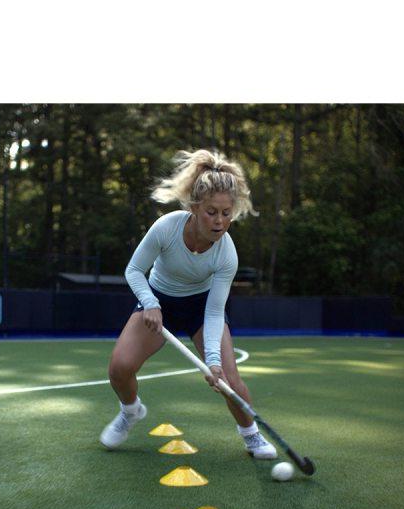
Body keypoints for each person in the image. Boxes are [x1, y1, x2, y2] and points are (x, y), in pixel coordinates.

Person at [99, 148, 277, 460]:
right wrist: (150, 303)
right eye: (212, 212)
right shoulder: (167, 227)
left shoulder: (227, 255)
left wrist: (213, 361)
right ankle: (131, 411)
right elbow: (133, 270)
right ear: (194, 207)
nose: (220, 222)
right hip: (158, 301)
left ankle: (252, 436)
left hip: (201, 307)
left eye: (227, 213)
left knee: (230, 381)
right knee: (119, 369)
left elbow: (213, 310)